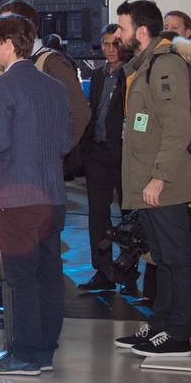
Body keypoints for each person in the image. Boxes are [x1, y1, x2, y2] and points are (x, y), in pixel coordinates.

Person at [113, 0, 191, 359]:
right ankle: (160, 325)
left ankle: (178, 334)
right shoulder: (145, 65)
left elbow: (176, 129)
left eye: (123, 28)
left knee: (177, 258)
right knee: (161, 258)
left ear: (141, 31)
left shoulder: (165, 65)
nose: (118, 35)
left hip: (165, 183)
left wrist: (159, 177)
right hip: (149, 180)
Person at [0, 14, 71, 376]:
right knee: (48, 276)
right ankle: (43, 351)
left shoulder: (2, 85)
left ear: (9, 45)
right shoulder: (55, 86)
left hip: (19, 199)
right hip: (53, 195)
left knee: (22, 279)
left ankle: (25, 355)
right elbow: (64, 142)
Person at [0, 0, 91, 164]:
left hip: (42, 164)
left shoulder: (53, 63)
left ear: (25, 28)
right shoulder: (3, 64)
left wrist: (58, 151)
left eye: (5, 26)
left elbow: (80, 111)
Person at [76, 25, 128, 294]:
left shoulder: (130, 74)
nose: (110, 49)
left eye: (114, 44)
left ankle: (128, 271)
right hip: (97, 150)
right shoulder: (97, 75)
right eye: (106, 44)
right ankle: (103, 270)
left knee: (129, 214)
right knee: (98, 214)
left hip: (123, 152)